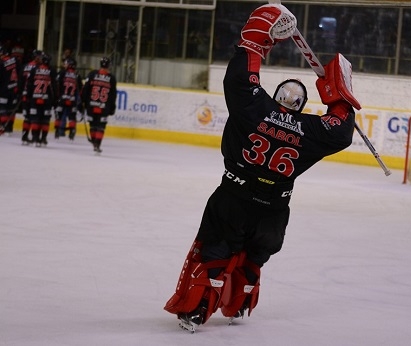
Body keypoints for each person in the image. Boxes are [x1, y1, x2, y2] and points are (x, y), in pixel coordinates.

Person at [164, 4, 362, 333]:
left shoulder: (257, 107)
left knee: (216, 251)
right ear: (301, 106)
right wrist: (339, 97)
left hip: (234, 198)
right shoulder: (311, 130)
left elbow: (241, 78)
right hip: (274, 211)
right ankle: (239, 305)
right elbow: (341, 131)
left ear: (275, 96)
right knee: (253, 260)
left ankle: (197, 309)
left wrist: (257, 42)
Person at [81, 57, 117, 153]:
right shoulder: (111, 78)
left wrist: (82, 101)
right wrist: (112, 106)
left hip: (91, 105)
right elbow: (113, 94)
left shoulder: (92, 74)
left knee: (92, 125)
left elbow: (85, 89)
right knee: (101, 126)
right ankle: (97, 144)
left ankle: (94, 143)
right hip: (104, 106)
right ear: (109, 65)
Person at [25, 52, 57, 146]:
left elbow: (29, 85)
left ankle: (35, 138)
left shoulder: (34, 70)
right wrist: (55, 99)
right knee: (45, 120)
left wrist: (28, 96)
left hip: (35, 98)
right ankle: (43, 139)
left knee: (35, 119)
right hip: (46, 100)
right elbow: (54, 86)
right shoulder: (52, 71)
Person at [54, 57, 83, 140]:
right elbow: (80, 89)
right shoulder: (77, 75)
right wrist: (80, 102)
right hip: (72, 100)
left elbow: (57, 85)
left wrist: (56, 98)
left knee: (59, 115)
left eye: (66, 63)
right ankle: (72, 132)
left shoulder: (62, 73)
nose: (64, 65)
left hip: (62, 99)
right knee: (72, 117)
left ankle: (57, 131)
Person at [20, 49, 42, 144]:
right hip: (33, 96)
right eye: (40, 56)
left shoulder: (25, 66)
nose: (41, 58)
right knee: (35, 118)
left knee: (27, 118)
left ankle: (24, 137)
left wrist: (20, 93)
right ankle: (34, 137)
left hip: (25, 95)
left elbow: (20, 81)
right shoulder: (38, 68)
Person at [0, 44, 20, 136]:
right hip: (15, 89)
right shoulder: (15, 60)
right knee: (11, 109)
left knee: (2, 108)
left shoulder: (1, 63)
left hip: (4, 90)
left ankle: (3, 127)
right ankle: (9, 128)